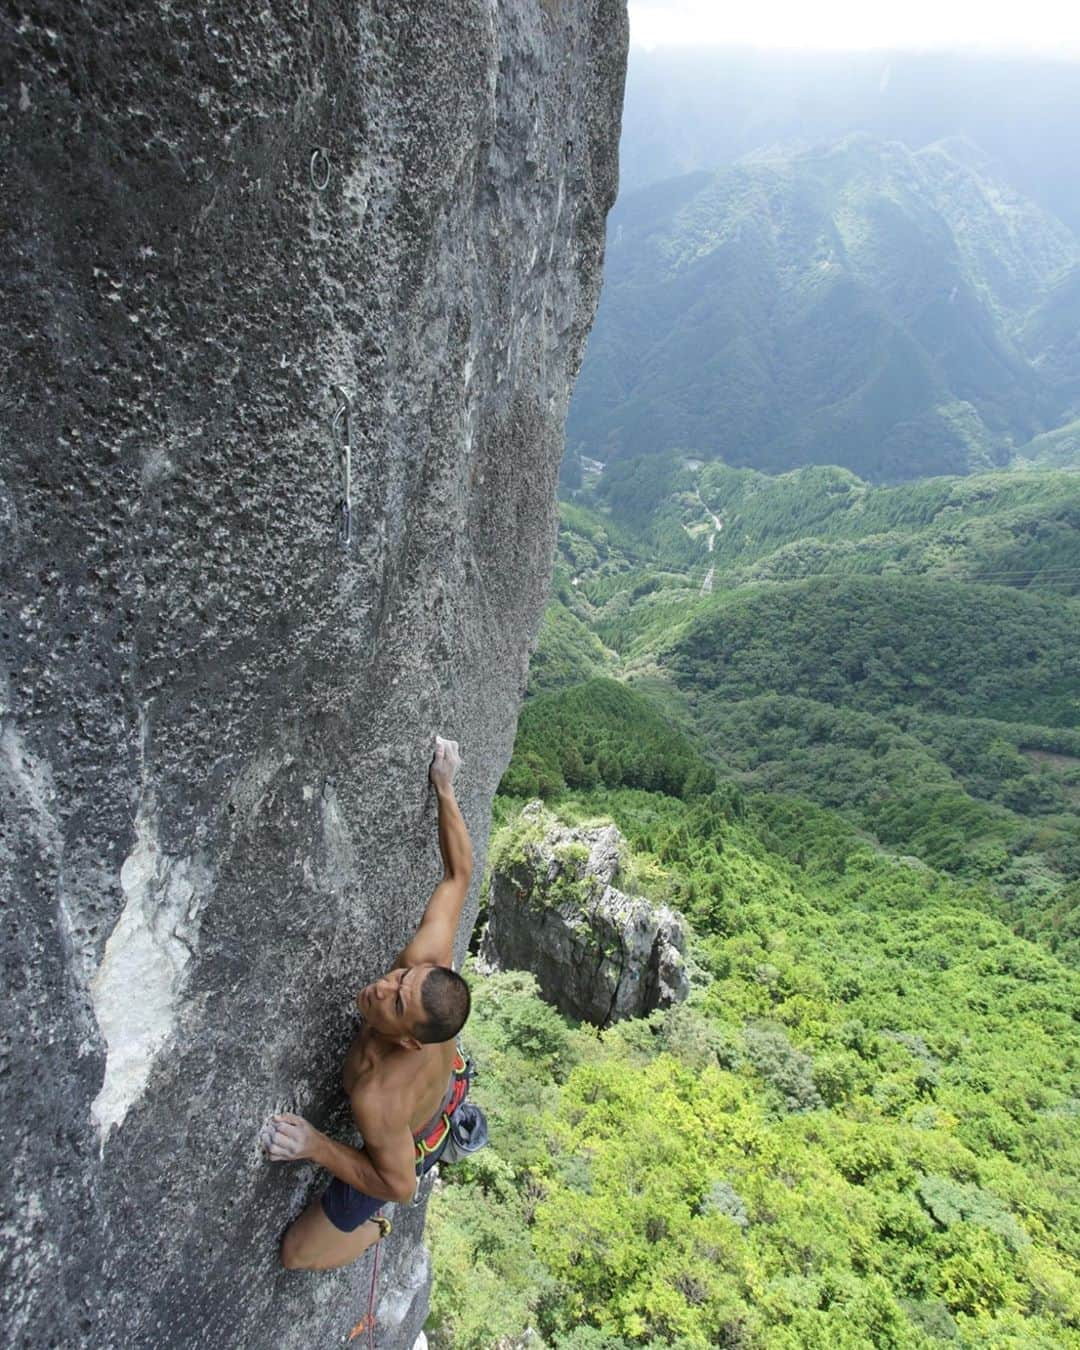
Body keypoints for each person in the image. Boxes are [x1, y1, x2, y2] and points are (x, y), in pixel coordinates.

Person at [262, 735, 474, 1270]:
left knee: (296, 1253)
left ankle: (372, 1232)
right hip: (441, 1075)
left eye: (396, 1003)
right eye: (399, 979)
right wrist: (445, 788)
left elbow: (398, 1184)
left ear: (407, 1038)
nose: (381, 988)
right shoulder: (426, 966)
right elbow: (458, 875)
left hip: (411, 1138)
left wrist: (316, 1146)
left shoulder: (378, 1098)